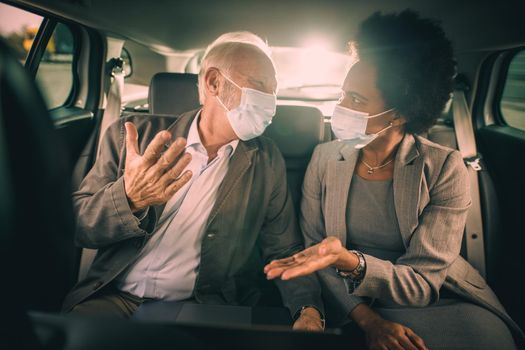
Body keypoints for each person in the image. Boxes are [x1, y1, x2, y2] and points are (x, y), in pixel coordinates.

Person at [264, 10, 523, 349]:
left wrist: (350, 261)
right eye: (342, 94)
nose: (341, 108)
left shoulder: (445, 167)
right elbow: (319, 261)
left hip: (437, 300)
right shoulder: (324, 159)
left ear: (400, 112)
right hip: (350, 302)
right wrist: (369, 321)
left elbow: (421, 286)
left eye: (356, 100)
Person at [62, 32, 324, 331]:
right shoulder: (132, 137)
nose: (272, 101)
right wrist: (129, 199)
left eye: (274, 90)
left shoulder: (266, 159)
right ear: (214, 83)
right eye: (261, 85)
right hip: (115, 299)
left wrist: (308, 308)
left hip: (206, 307)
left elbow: (284, 249)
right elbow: (77, 228)